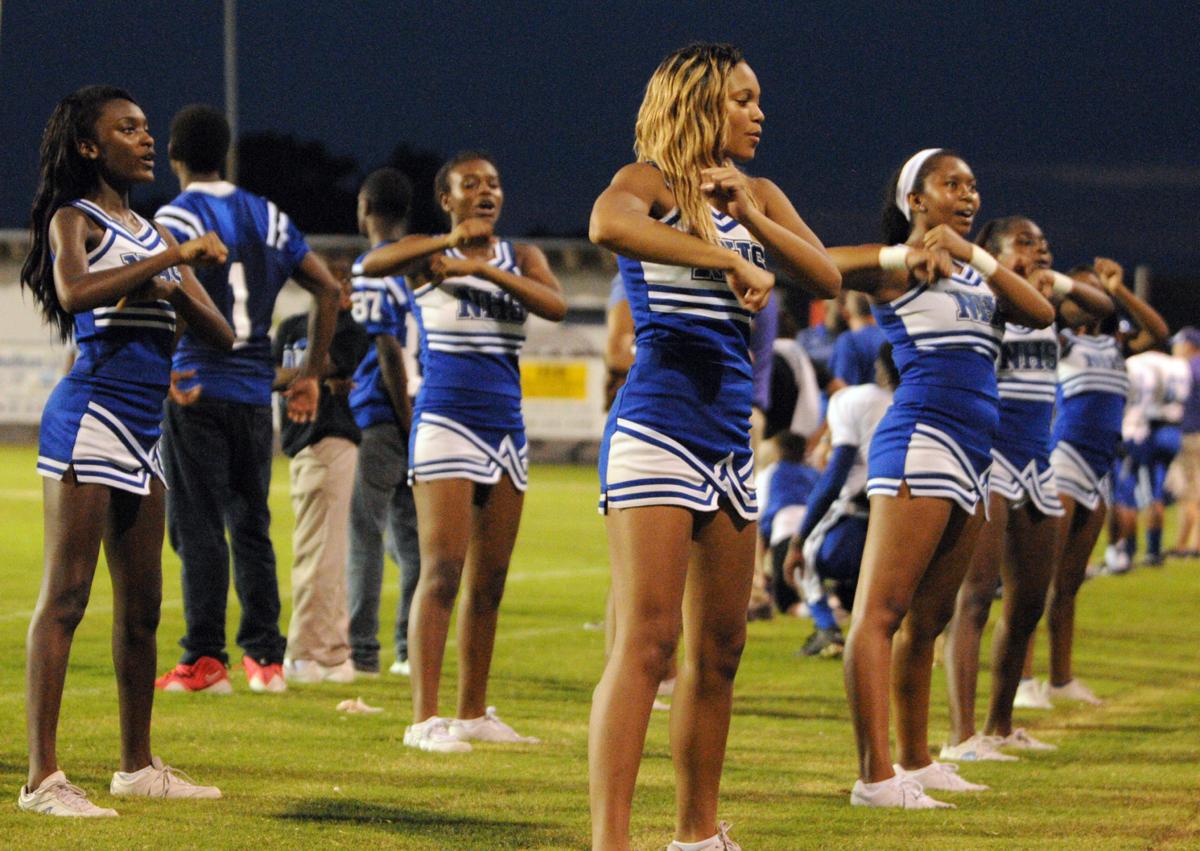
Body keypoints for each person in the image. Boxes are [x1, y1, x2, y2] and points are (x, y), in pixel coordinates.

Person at [588, 43, 840, 850]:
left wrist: (751, 217)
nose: (758, 113)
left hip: (732, 444)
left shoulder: (758, 190)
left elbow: (826, 276)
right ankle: (611, 840)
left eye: (758, 99)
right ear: (698, 102)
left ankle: (696, 834)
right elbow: (606, 226)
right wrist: (723, 251)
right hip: (657, 428)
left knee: (723, 648)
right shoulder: (646, 183)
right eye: (742, 98)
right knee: (649, 642)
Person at [19, 86, 231, 815]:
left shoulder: (146, 227)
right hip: (90, 415)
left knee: (143, 608)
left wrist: (181, 276)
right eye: (128, 129)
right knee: (67, 595)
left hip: (146, 432)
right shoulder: (71, 218)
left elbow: (223, 337)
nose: (146, 139)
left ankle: (136, 764)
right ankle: (41, 778)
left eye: (148, 128)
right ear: (88, 145)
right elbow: (75, 291)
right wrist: (170, 257)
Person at [830, 148, 1054, 808]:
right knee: (880, 614)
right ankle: (874, 776)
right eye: (950, 183)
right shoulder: (905, 271)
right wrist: (901, 253)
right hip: (921, 443)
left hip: (970, 454)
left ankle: (916, 759)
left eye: (973, 184)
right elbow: (819, 264)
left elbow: (1040, 311)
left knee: (927, 618)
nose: (967, 192)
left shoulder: (976, 277)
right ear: (915, 201)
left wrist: (974, 253)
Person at [359, 151, 567, 752]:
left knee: (491, 581)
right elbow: (373, 263)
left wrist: (482, 270)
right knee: (442, 570)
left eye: (494, 183)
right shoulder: (429, 253)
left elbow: (551, 304)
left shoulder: (521, 257)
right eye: (470, 184)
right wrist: (448, 247)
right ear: (446, 198)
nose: (486, 192)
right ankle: (424, 719)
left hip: (505, 426)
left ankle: (473, 711)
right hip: (446, 421)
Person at [153, 104, 341, 694]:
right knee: (251, 523)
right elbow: (329, 289)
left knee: (199, 525)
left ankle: (204, 661)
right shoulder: (267, 215)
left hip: (196, 384)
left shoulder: (173, 216)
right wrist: (308, 371)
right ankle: (266, 660)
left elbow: (167, 298)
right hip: (255, 391)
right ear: (226, 153)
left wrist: (163, 367)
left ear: (174, 156)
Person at [941, 217, 1113, 760]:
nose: (1040, 250)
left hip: (1038, 463)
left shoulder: (1045, 306)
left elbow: (1103, 307)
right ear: (992, 252)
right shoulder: (980, 300)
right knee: (975, 599)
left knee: (1029, 604)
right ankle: (961, 738)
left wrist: (1055, 280)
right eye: (1026, 242)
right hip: (990, 458)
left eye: (1044, 242)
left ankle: (1000, 725)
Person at [1023, 258, 1168, 707]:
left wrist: (1120, 290)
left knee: (1069, 583)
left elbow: (1160, 333)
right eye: (1083, 291)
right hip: (1064, 462)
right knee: (1038, 578)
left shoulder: (1116, 344)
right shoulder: (1061, 342)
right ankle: (1025, 680)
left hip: (1101, 468)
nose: (1092, 299)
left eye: (1096, 293)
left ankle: (1061, 679)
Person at [344, 168, 423, 678]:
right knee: (412, 541)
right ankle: (408, 649)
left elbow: (388, 349)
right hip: (419, 410)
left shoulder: (374, 265)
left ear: (364, 206)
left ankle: (363, 651)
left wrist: (403, 418)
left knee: (365, 530)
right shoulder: (417, 268)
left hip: (389, 415)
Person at [274, 270, 370, 684]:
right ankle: (333, 652)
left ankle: (306, 652)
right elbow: (274, 373)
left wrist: (299, 378)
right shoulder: (290, 327)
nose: (341, 292)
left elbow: (314, 369)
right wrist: (312, 379)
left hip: (331, 439)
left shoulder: (351, 331)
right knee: (326, 550)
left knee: (318, 552)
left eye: (346, 285)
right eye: (333, 284)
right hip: (300, 441)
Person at [784, 344, 900, 658]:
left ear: (881, 368)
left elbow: (836, 473)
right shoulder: (925, 404)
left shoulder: (857, 400)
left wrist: (799, 538)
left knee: (805, 557)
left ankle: (826, 628)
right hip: (910, 509)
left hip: (860, 513)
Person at [1168, 327, 1200, 556]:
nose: (1174, 349)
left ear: (1189, 345)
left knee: (1188, 493)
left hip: (1189, 434)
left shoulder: (1184, 369)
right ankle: (1191, 544)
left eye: (1178, 344)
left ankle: (1186, 545)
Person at [829, 291, 885, 386]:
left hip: (864, 400)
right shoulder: (894, 335)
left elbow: (843, 387)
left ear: (846, 313)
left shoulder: (849, 341)